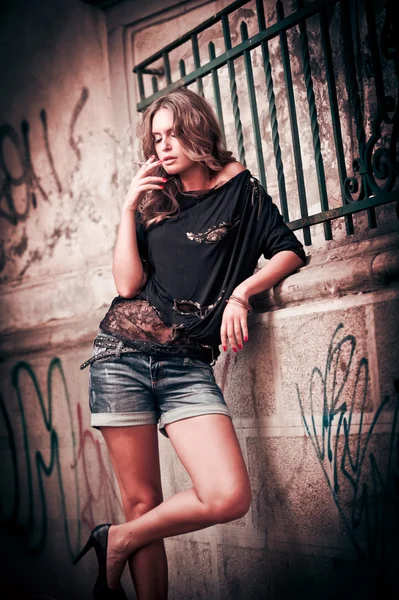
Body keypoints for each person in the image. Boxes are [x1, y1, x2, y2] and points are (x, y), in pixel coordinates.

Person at [74, 87, 306, 599]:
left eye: (172, 132)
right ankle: (128, 545)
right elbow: (126, 287)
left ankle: (115, 540)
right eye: (156, 138)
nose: (163, 146)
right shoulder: (155, 198)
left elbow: (288, 250)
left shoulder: (241, 190)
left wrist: (242, 294)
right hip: (122, 355)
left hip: (186, 366)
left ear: (196, 128)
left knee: (227, 495)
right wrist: (128, 207)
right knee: (142, 500)